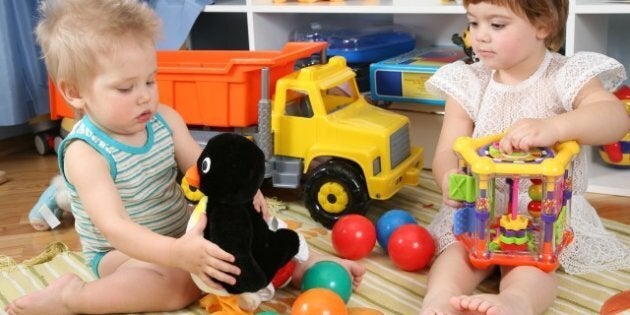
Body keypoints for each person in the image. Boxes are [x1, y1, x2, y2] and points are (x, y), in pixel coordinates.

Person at [5, 1, 365, 314]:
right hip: (123, 255)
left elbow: (206, 170)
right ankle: (74, 297)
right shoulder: (85, 152)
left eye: (150, 80)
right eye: (126, 88)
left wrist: (243, 192)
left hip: (186, 231)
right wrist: (177, 254)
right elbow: (117, 228)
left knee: (264, 232)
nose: (145, 96)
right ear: (75, 91)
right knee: (178, 286)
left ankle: (312, 265)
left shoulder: (165, 120)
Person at [421, 0, 630, 314]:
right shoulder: (468, 81)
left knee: (533, 268)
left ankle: (515, 303)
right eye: (474, 22)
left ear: (542, 26)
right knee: (455, 256)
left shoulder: (565, 74)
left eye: (497, 24)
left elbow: (614, 118)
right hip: (480, 211)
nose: (480, 36)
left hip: (542, 217)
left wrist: (556, 126)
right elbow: (446, 150)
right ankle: (440, 300)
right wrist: (448, 177)